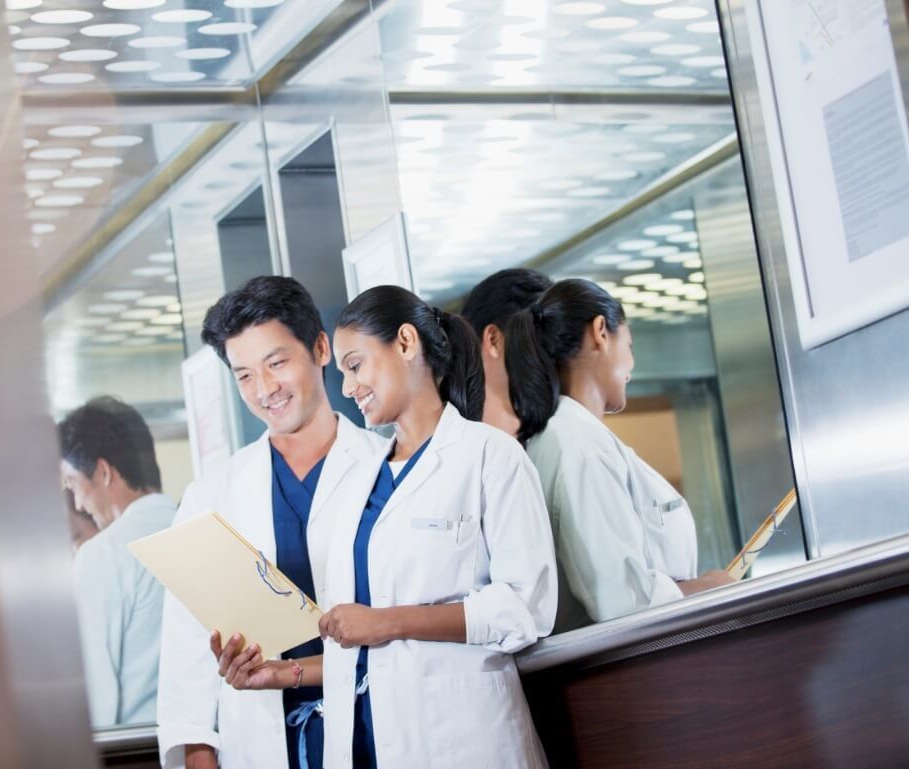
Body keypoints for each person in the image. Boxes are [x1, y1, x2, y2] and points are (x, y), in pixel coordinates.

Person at [216, 285, 557, 769]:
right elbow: (356, 644)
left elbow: (525, 608)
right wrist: (278, 675)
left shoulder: (489, 456)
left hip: (461, 737)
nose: (349, 388)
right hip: (365, 744)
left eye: (355, 366)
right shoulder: (360, 477)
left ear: (404, 342)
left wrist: (387, 620)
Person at [157, 276, 388, 769]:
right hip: (267, 744)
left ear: (321, 348)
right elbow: (187, 669)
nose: (265, 390)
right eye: (243, 376)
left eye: (276, 363)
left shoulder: (387, 467)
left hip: (383, 731)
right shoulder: (210, 497)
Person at [504, 278, 734, 632]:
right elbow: (624, 601)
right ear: (600, 332)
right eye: (629, 343)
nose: (632, 363)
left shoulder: (569, 438)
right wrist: (710, 587)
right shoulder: (579, 447)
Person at [58, 396, 176, 728]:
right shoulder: (200, 529)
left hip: (135, 748)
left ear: (104, 472)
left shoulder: (103, 554)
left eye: (72, 484)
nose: (79, 503)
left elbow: (96, 694)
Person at [461, 268, 553, 437]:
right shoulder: (448, 441)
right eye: (538, 342)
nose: (550, 358)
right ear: (493, 339)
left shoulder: (549, 433)